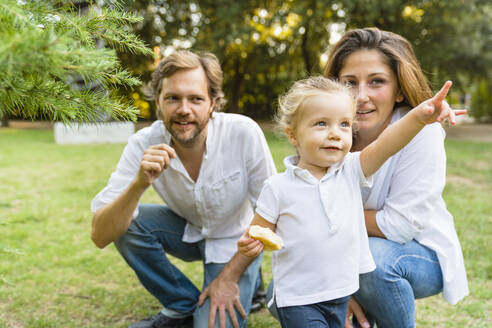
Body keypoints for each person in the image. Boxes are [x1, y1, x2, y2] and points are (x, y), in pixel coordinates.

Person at [238, 74, 463, 328]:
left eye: (344, 124)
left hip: (340, 292)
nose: (336, 134)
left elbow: (388, 144)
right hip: (298, 296)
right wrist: (251, 243)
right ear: (293, 135)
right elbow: (258, 230)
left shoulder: (350, 171)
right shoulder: (278, 187)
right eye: (321, 124)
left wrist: (419, 117)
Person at [90, 49, 277, 328]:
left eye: (196, 99)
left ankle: (247, 284)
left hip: (237, 242)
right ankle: (181, 306)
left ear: (213, 103)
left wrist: (228, 280)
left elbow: (273, 213)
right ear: (158, 103)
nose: (184, 109)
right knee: (127, 221)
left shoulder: (243, 132)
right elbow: (100, 234)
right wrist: (138, 185)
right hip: (189, 231)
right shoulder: (143, 143)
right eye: (173, 98)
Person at [322, 28, 469, 328]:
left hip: (419, 252)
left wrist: (327, 213)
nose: (360, 96)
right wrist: (340, 288)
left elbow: (398, 226)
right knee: (286, 293)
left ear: (399, 90)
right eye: (349, 82)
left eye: (377, 81)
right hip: (347, 254)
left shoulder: (422, 131)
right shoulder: (324, 131)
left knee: (374, 265)